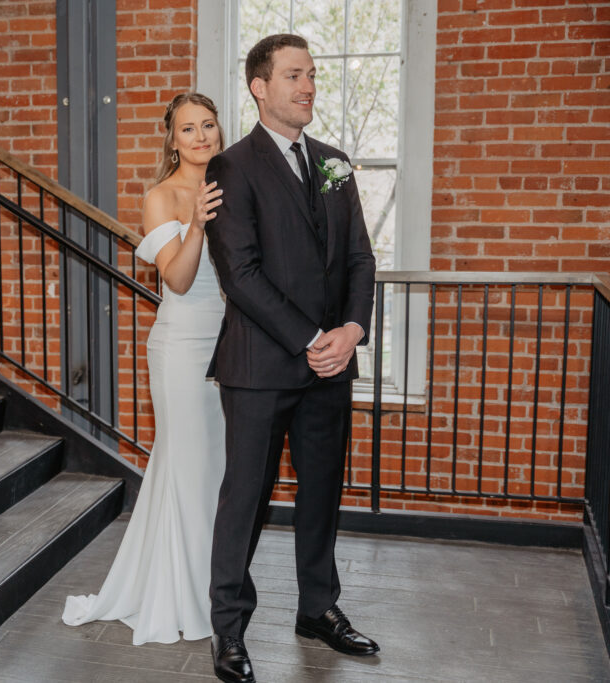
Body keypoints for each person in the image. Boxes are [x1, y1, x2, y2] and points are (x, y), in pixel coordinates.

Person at [203, 34, 379, 683]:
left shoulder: (335, 163)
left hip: (331, 365)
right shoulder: (232, 166)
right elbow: (241, 275)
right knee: (244, 497)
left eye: (311, 75)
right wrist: (312, 337)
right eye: (294, 75)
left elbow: (361, 258)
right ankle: (229, 629)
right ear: (260, 86)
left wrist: (352, 329)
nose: (308, 86)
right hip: (258, 368)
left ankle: (318, 607)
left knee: (322, 493)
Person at [62, 92, 227, 645]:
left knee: (210, 473)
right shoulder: (162, 197)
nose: (201, 136)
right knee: (188, 465)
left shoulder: (233, 187)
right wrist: (198, 224)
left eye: (208, 125)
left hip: (232, 346)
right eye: (188, 129)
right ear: (172, 140)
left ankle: (208, 588)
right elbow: (178, 280)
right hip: (182, 346)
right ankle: (186, 601)